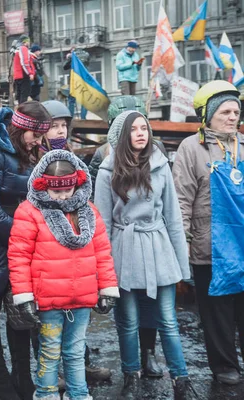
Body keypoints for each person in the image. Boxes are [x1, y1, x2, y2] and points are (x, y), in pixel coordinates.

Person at [94, 111, 197, 399]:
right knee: (127, 321)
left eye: (145, 128)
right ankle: (131, 376)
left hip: (158, 248)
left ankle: (181, 380)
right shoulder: (106, 171)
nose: (141, 133)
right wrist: (103, 273)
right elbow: (101, 223)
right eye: (134, 129)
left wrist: (182, 265)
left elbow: (173, 217)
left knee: (167, 319)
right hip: (123, 251)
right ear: (123, 135)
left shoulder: (162, 165)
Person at [8, 150, 119, 400]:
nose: (62, 197)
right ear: (42, 185)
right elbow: (19, 258)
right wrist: (24, 297)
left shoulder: (89, 211)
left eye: (67, 190)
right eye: (55, 191)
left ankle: (79, 394)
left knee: (75, 350)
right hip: (48, 301)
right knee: (48, 350)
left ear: (77, 183)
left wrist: (107, 289)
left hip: (82, 297)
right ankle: (46, 394)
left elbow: (102, 253)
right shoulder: (29, 212)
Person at [0, 101, 51, 400]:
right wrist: (20, 238)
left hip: (18, 241)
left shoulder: (29, 154)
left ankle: (23, 378)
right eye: (35, 135)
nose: (38, 142)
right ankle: (0, 380)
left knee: (19, 314)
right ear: (19, 128)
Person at [88, 95, 165, 379]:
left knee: (150, 302)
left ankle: (149, 353)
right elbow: (100, 204)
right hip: (121, 241)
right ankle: (130, 361)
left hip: (150, 240)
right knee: (125, 307)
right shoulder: (102, 156)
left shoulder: (154, 150)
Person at [173, 81, 244, 386]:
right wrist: (183, 244)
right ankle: (225, 365)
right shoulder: (191, 148)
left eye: (236, 112)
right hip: (209, 247)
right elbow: (181, 200)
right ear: (210, 115)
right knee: (216, 314)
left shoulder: (243, 146)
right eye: (226, 111)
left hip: (242, 247)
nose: (233, 117)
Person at [63, 49, 90, 119]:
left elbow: (65, 67)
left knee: (71, 100)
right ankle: (83, 118)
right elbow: (87, 63)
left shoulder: (72, 57)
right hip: (84, 80)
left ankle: (70, 117)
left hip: (74, 81)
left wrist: (69, 58)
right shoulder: (85, 55)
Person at [13, 34, 35, 105]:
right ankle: (23, 112)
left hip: (18, 76)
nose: (29, 43)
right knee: (24, 97)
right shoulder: (23, 48)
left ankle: (20, 111)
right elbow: (24, 62)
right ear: (25, 42)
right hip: (23, 75)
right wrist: (30, 73)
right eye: (28, 41)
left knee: (20, 97)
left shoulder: (17, 50)